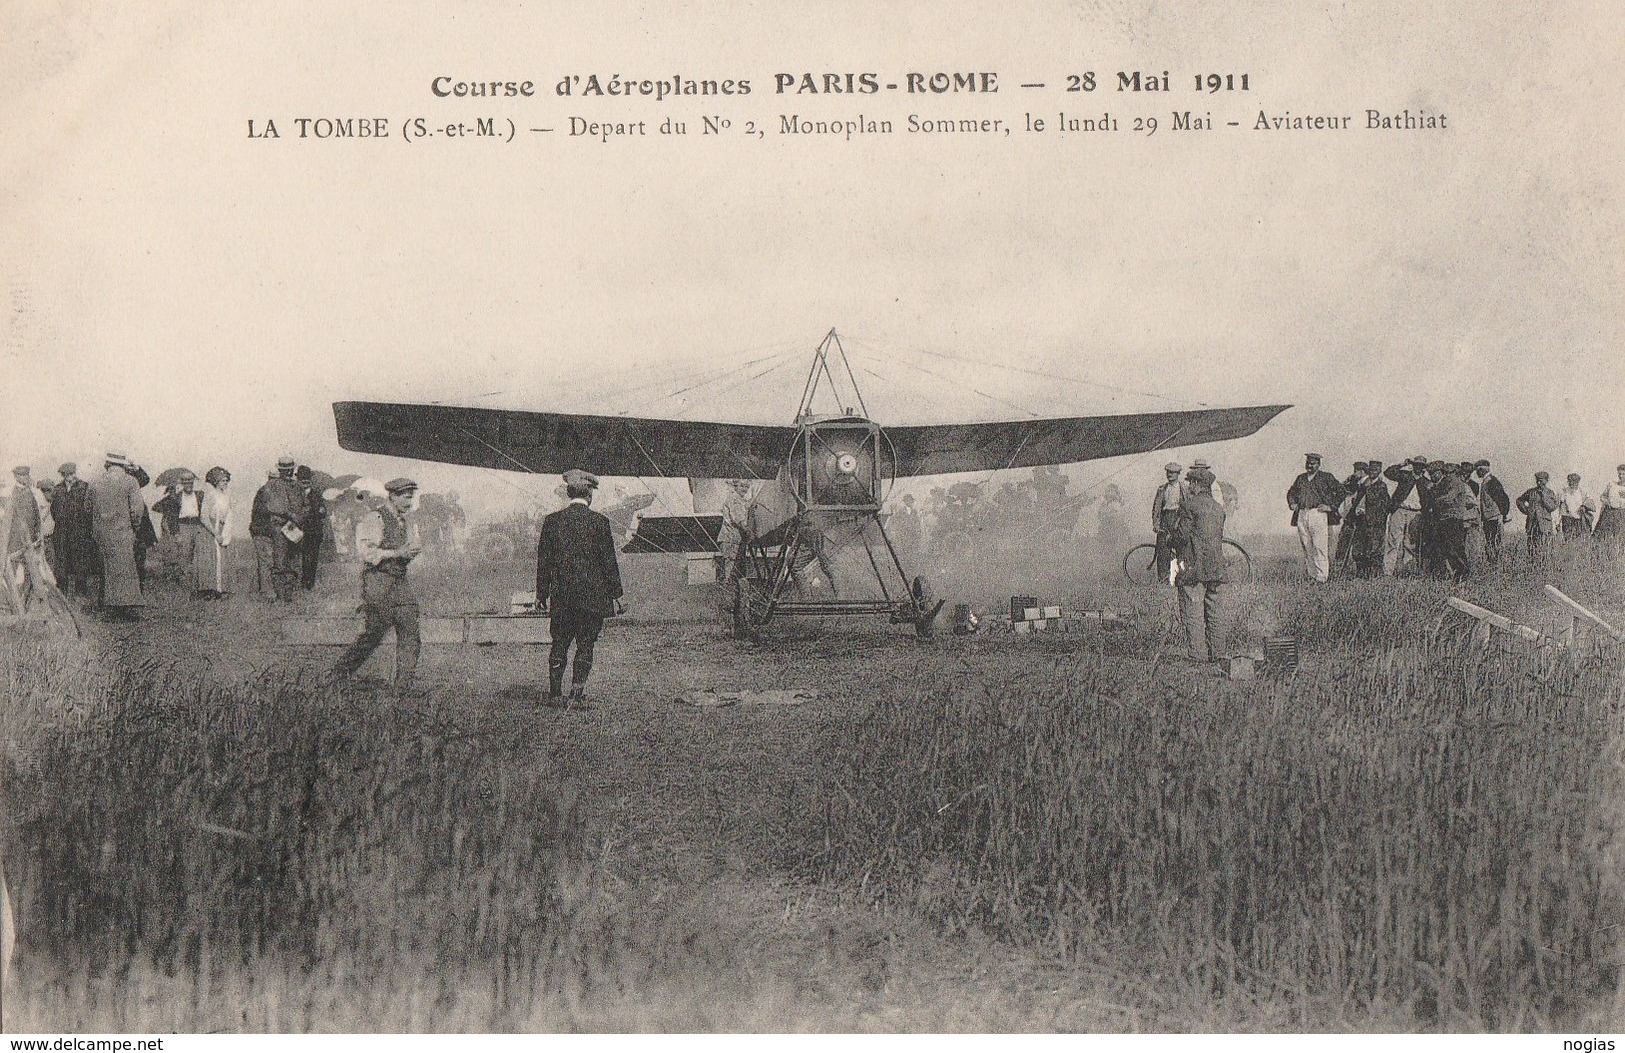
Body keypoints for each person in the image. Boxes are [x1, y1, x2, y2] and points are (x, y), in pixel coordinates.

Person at [536, 468, 624, 706]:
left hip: (562, 597)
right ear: (590, 496)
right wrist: (617, 594)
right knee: (586, 643)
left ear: (568, 493)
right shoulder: (600, 522)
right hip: (592, 597)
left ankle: (555, 694)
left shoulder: (552, 522)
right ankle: (576, 694)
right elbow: (608, 562)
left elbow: (544, 561)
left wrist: (541, 594)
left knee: (560, 643)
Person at [333, 478, 423, 694]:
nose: (409, 501)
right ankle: (338, 675)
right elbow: (366, 553)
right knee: (374, 634)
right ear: (392, 496)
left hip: (399, 580)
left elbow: (409, 547)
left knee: (411, 632)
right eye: (405, 496)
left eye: (411, 496)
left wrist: (409, 553)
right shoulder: (375, 518)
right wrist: (396, 553)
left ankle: (402, 688)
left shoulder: (405, 521)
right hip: (377, 581)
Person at [1173, 467, 1228, 663]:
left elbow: (1181, 536)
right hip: (1216, 568)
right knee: (1215, 612)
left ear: (1197, 485)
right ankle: (1219, 654)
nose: (1189, 487)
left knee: (1193, 612)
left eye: (1190, 483)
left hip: (1193, 568)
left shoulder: (1189, 506)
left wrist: (1171, 540)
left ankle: (1198, 655)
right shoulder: (1218, 508)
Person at [84, 453, 146, 617]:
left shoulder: (95, 482)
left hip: (101, 532)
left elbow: (87, 508)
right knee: (125, 569)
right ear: (123, 465)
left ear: (107, 464)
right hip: (123, 532)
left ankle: (107, 605)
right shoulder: (130, 482)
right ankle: (124, 607)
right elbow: (137, 510)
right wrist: (135, 528)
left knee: (105, 568)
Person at [1286, 453, 1344, 583]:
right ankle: (1312, 575)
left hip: (1317, 514)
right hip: (1302, 514)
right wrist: (1292, 503)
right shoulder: (1301, 478)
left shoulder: (1326, 477)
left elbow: (1341, 491)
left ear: (1319, 464)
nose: (1310, 466)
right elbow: (1291, 492)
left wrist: (1331, 506)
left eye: (1313, 463)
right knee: (1307, 546)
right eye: (1308, 463)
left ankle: (1322, 577)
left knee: (1319, 546)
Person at [155, 471, 210, 596]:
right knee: (184, 557)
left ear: (193, 482)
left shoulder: (200, 495)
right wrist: (176, 534)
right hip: (183, 526)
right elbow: (172, 518)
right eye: (185, 482)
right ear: (181, 483)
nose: (188, 484)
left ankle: (200, 587)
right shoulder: (176, 498)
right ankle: (186, 589)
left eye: (190, 481)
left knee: (199, 556)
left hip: (197, 526)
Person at [48, 462, 96, 597]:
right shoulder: (58, 489)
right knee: (62, 559)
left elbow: (89, 508)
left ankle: (81, 590)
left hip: (79, 530)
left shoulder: (84, 487)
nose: (70, 477)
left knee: (80, 559)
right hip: (61, 530)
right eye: (67, 475)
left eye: (72, 474)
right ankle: (62, 589)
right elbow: (54, 509)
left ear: (75, 473)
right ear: (63, 476)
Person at [262, 457, 304, 601]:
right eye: (284, 470)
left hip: (294, 527)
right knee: (280, 561)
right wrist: (291, 515)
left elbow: (306, 505)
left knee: (293, 560)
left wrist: (299, 518)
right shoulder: (271, 486)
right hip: (279, 527)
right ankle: (280, 594)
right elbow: (272, 506)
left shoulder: (297, 486)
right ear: (280, 470)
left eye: (290, 470)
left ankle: (289, 593)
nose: (288, 472)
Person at [1344, 461, 1392, 578]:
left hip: (1375, 524)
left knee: (1374, 550)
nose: (1372, 472)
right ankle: (1361, 574)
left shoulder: (1381, 486)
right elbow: (1356, 501)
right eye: (1370, 470)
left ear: (1379, 471)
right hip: (1361, 522)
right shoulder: (1363, 485)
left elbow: (1382, 505)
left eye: (1375, 470)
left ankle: (1374, 576)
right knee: (1359, 549)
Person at [1382, 456, 1427, 576]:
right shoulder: (1405, 475)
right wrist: (1402, 464)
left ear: (1423, 467)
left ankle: (1408, 572)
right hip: (1399, 510)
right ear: (1413, 465)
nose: (1418, 467)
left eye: (1421, 465)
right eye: (1416, 464)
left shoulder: (1425, 482)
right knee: (1393, 541)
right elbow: (1388, 473)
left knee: (1411, 543)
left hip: (1416, 513)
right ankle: (1388, 572)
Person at [1433, 463, 1476, 580]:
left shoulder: (1456, 483)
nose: (1446, 475)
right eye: (1445, 473)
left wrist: (1436, 499)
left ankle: (1463, 574)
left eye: (1448, 473)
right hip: (1447, 518)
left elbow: (1448, 499)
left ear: (1455, 473)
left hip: (1453, 519)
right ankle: (1459, 574)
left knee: (1455, 548)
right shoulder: (1450, 483)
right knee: (1449, 548)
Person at [197, 467, 234, 597]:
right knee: (210, 558)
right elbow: (203, 516)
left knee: (222, 558)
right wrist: (215, 533)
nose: (226, 483)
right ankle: (209, 590)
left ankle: (221, 588)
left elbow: (229, 514)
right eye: (223, 480)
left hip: (222, 529)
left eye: (227, 480)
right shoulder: (210, 495)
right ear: (216, 481)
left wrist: (224, 532)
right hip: (210, 530)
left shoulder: (226, 496)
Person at [1468, 460, 1511, 563]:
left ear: (1482, 470)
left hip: (1493, 518)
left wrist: (1503, 515)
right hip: (1489, 517)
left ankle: (1495, 563)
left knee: (1493, 542)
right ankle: (1493, 563)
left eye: (1477, 471)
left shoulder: (1491, 482)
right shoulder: (1487, 481)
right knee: (1491, 541)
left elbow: (1503, 499)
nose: (1476, 473)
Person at [1150, 462, 1185, 584]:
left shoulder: (1183, 488)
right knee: (1163, 551)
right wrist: (1156, 524)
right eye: (1168, 472)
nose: (1170, 475)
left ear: (1178, 474)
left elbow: (1187, 507)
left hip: (1178, 519)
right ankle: (1163, 580)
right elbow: (1156, 508)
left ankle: (1182, 579)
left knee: (1181, 550)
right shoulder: (1162, 489)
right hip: (1165, 519)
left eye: (1173, 472)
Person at [295, 465, 328, 590]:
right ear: (298, 480)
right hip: (296, 531)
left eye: (307, 479)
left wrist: (319, 511)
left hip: (313, 532)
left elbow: (323, 511)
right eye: (302, 479)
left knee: (312, 558)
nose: (305, 481)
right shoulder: (294, 493)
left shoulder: (316, 494)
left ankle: (308, 584)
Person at [1515, 472, 1560, 561]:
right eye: (1537, 481)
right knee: (1532, 546)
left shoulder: (1550, 493)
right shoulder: (1531, 492)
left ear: (1546, 481)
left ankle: (1545, 565)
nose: (1539, 483)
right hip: (1532, 523)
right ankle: (1533, 564)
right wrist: (1526, 510)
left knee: (1546, 547)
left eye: (1541, 481)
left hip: (1545, 524)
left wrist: (1544, 497)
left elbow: (1552, 507)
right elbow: (1519, 500)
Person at [248, 469, 279, 596]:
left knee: (269, 561)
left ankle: (269, 589)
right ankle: (267, 591)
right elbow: (263, 512)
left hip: (265, 531)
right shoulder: (265, 493)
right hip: (263, 532)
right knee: (266, 561)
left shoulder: (266, 492)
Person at [1557, 473, 1596, 541]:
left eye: (1574, 481)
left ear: (1578, 482)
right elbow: (1560, 508)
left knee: (1580, 540)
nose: (1572, 483)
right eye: (1570, 481)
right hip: (1568, 520)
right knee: (1568, 539)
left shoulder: (1582, 492)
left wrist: (1584, 507)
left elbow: (1591, 504)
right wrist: (1558, 522)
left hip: (1579, 520)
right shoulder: (1564, 492)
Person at [1595, 465, 1625, 549]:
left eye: (1623, 474)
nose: (1621, 476)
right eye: (1619, 474)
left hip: (1622, 514)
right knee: (1604, 535)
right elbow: (1602, 496)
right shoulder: (1612, 485)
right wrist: (1606, 501)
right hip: (1609, 513)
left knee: (1620, 536)